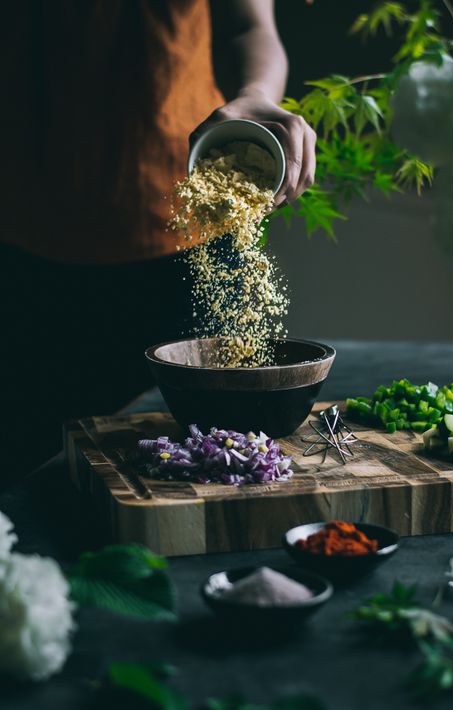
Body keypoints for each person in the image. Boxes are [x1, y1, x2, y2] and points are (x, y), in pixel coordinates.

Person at [0, 0, 316, 483]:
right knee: (25, 465)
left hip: (186, 233)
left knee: (211, 452)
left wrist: (256, 94)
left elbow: (247, 25)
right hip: (25, 231)